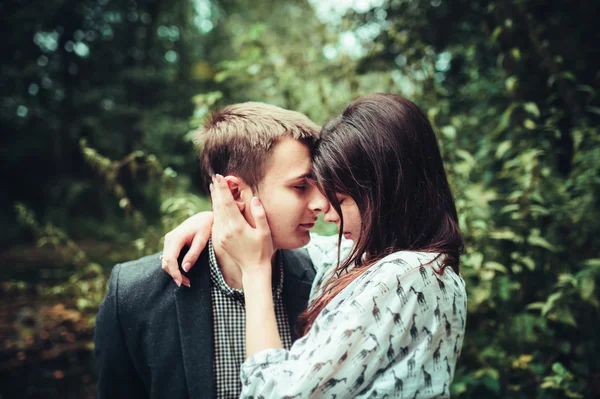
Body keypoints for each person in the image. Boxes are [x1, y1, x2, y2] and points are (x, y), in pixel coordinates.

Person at [162, 93, 467, 398]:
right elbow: (317, 252)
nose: (326, 210)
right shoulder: (370, 262)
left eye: (342, 200)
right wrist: (217, 219)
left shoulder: (410, 274)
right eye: (300, 187)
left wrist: (255, 271)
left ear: (386, 195)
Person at [94, 102, 330, 399]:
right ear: (234, 192)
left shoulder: (325, 279)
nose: (321, 203)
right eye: (300, 187)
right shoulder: (132, 294)